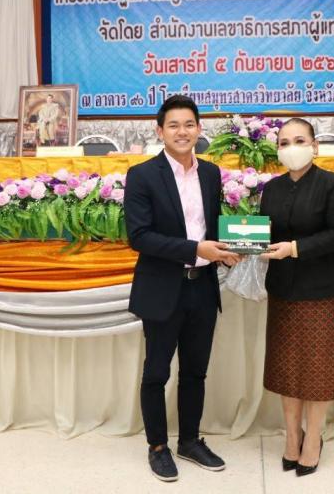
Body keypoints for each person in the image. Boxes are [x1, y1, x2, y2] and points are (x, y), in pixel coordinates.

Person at [124, 95, 241, 482]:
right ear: (159, 131)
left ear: (199, 129)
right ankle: (158, 447)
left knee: (195, 371)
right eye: (173, 125)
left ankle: (189, 440)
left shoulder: (210, 173)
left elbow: (212, 226)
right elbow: (140, 236)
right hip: (162, 289)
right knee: (157, 372)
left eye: (189, 124)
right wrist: (195, 250)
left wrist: (226, 251)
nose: (182, 131)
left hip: (202, 288)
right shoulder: (142, 175)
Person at [259, 118, 334, 477]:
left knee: (318, 371)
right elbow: (264, 232)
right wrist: (246, 243)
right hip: (283, 289)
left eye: (299, 140)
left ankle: (313, 439)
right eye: (284, 143)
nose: (291, 148)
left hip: (322, 292)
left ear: (315, 146)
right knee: (286, 369)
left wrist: (295, 248)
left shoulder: (331, 184)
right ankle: (291, 437)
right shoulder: (272, 188)